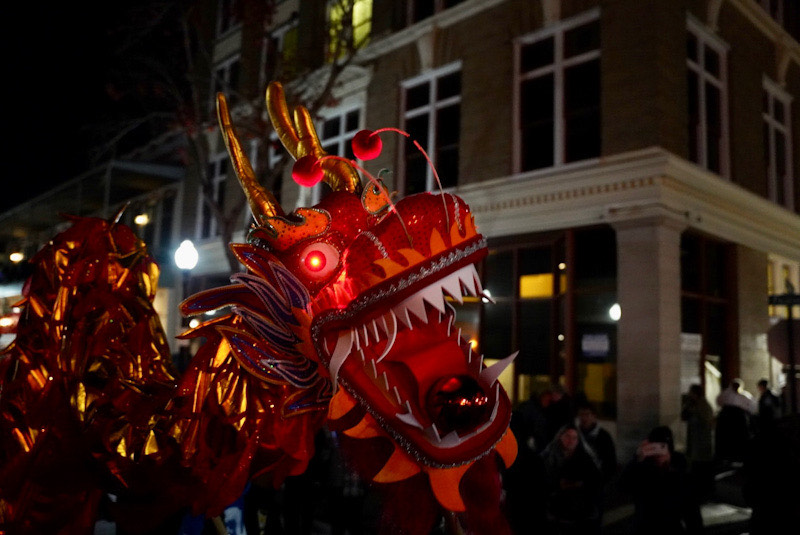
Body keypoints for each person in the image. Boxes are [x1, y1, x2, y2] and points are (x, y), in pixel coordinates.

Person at [619, 426, 703, 535]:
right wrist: (637, 457)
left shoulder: (681, 473)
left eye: (662, 446)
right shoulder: (642, 469)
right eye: (654, 447)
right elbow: (622, 486)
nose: (658, 452)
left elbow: (693, 514)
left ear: (669, 448)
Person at [540, 424, 603, 535]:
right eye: (568, 436)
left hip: (582, 514)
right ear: (560, 437)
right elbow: (542, 481)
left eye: (575, 438)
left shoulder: (585, 458)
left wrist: (578, 485)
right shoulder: (550, 457)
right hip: (556, 513)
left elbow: (595, 481)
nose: (571, 440)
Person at [680, 384, 715, 502]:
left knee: (702, 467)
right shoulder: (693, 405)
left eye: (691, 392)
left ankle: (704, 491)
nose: (689, 395)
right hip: (695, 442)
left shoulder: (703, 405)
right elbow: (684, 416)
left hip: (702, 442)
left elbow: (707, 422)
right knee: (696, 465)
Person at [715, 378, 756, 465]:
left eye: (737, 386)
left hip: (740, 419)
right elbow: (719, 401)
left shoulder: (745, 395)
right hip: (728, 419)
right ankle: (728, 457)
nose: (735, 387)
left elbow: (751, 407)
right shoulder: (726, 394)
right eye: (734, 385)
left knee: (740, 437)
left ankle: (740, 457)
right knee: (728, 438)